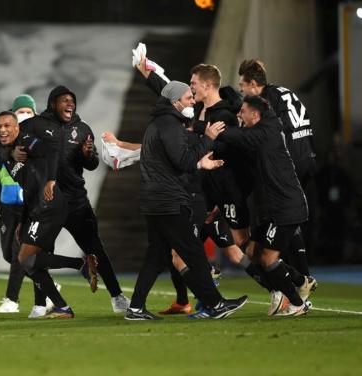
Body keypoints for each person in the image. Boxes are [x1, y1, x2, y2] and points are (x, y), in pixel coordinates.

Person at [0, 86, 131, 313]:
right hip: (45, 202)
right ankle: (42, 304)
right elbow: (4, 141)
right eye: (64, 100)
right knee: (37, 255)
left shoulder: (82, 129)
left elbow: (92, 164)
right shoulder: (35, 125)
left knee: (94, 248)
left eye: (72, 100)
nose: (70, 104)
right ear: (52, 104)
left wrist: (88, 155)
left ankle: (117, 297)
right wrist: (10, 154)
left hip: (75, 201)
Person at [125, 80, 248, 320]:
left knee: (156, 255)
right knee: (193, 252)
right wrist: (209, 138)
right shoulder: (169, 124)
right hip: (168, 200)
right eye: (188, 98)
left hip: (156, 199)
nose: (193, 100)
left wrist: (200, 162)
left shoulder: (162, 123)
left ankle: (136, 307)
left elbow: (177, 161)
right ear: (174, 102)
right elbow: (182, 160)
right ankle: (216, 304)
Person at [0, 110, 98, 319]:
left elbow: (52, 152)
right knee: (27, 262)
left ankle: (72, 278)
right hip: (35, 209)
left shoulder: (26, 141)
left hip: (50, 205)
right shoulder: (4, 150)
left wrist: (51, 179)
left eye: (7, 125)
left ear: (17, 127)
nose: (2, 130)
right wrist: (22, 220)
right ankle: (66, 296)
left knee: (25, 258)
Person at [136, 56, 251, 248]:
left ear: (206, 85)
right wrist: (146, 72)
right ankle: (206, 273)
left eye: (193, 83)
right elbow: (167, 93)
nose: (190, 87)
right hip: (197, 190)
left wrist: (199, 133)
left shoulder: (225, 116)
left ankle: (284, 274)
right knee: (185, 249)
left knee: (242, 244)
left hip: (221, 191)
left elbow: (226, 154)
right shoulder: (193, 109)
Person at [217, 96, 317, 316]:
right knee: (253, 251)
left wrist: (205, 127)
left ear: (255, 115)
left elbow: (238, 136)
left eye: (243, 111)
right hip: (272, 208)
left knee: (268, 259)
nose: (239, 115)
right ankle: (301, 281)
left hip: (286, 208)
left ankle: (297, 302)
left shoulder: (264, 133)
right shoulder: (266, 127)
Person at [238, 59, 316, 278]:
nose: (242, 90)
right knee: (288, 220)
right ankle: (299, 277)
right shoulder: (284, 91)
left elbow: (273, 133)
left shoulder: (265, 101)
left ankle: (300, 279)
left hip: (292, 163)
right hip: (307, 156)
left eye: (242, 85)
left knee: (281, 218)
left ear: (253, 84)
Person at [0, 94, 60, 317]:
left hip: (30, 205)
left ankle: (12, 300)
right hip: (8, 205)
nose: (23, 117)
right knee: (10, 255)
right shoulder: (3, 139)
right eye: (19, 113)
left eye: (27, 113)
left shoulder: (33, 138)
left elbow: (49, 152)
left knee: (20, 253)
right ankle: (50, 287)